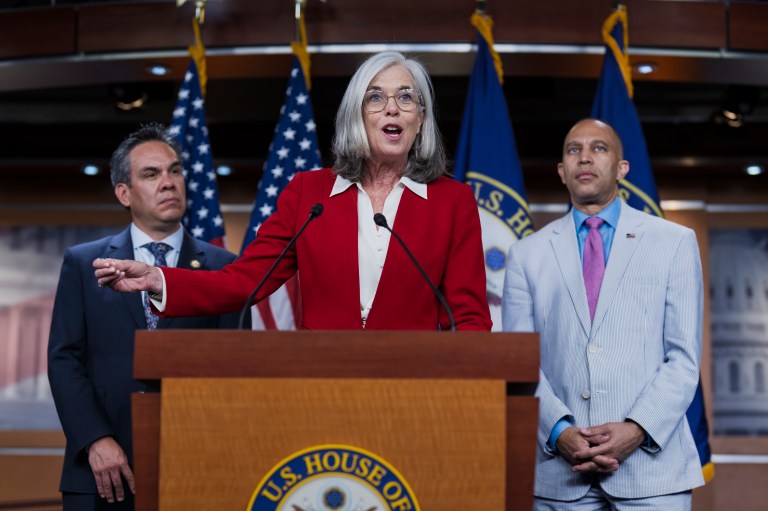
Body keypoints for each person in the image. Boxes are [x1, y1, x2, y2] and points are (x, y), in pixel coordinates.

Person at [93, 51, 491, 331]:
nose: (392, 107)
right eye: (375, 97)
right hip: (320, 387)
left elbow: (470, 318)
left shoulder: (452, 202)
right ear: (357, 116)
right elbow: (244, 280)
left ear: (420, 119)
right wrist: (159, 279)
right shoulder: (309, 193)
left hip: (417, 392)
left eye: (406, 97)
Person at [502, 118, 704, 510]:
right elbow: (521, 364)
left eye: (599, 148)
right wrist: (559, 431)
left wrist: (637, 429)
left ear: (621, 168)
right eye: (573, 150)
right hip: (560, 473)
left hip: (652, 472)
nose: (584, 158)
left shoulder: (674, 242)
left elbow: (683, 358)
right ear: (561, 171)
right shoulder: (526, 255)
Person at [48, 123, 243, 510]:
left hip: (194, 466)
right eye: (152, 174)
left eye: (175, 171)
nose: (168, 183)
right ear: (124, 193)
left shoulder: (224, 268)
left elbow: (233, 369)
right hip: (101, 470)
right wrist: (95, 439)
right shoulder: (84, 263)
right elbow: (64, 359)